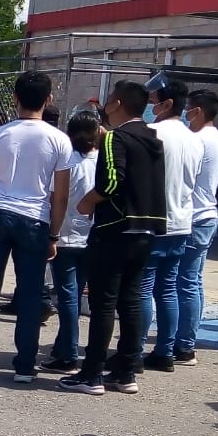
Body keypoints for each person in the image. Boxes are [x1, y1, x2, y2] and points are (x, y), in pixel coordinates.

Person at [59, 80, 167, 396]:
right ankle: (125, 371)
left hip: (115, 228)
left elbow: (111, 181)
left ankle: (91, 373)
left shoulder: (115, 138)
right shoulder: (152, 138)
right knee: (130, 301)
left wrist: (88, 201)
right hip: (145, 229)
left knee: (103, 303)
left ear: (117, 104)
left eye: (108, 100)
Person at [0, 71, 72, 383]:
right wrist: (54, 233)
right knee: (30, 293)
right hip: (35, 219)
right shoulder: (59, 140)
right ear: (49, 99)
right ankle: (25, 365)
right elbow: (61, 195)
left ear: (15, 98)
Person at [138, 77, 202, 373]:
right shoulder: (194, 138)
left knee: (142, 287)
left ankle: (134, 348)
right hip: (181, 221)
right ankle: (164, 351)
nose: (150, 107)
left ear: (166, 104)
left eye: (153, 102)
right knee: (167, 288)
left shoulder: (151, 133)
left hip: (151, 221)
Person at [42, 111, 99, 373]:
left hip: (65, 234)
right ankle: (63, 345)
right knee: (75, 292)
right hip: (91, 234)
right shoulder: (101, 161)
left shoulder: (67, 162)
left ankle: (68, 353)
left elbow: (56, 198)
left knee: (67, 296)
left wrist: (51, 234)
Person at [177, 90, 218, 363]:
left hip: (194, 217)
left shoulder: (198, 140)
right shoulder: (217, 138)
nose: (185, 113)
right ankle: (186, 340)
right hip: (207, 215)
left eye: (188, 108)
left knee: (184, 282)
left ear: (197, 111)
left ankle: (183, 344)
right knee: (193, 281)